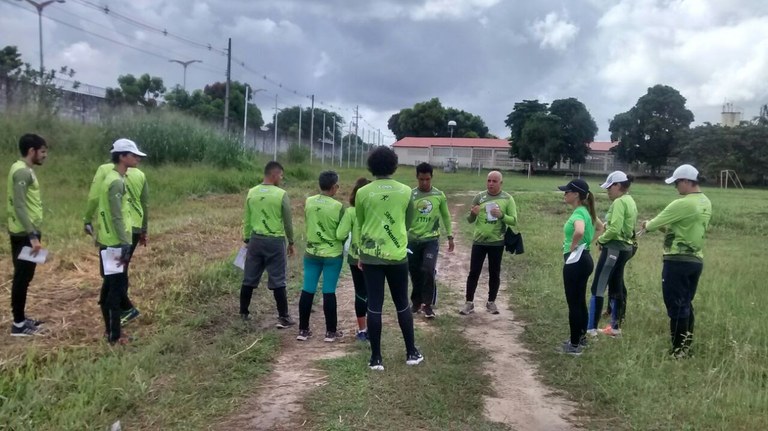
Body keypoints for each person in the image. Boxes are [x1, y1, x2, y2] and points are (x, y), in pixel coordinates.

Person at [356, 146, 423, 371]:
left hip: (371, 255)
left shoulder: (363, 192)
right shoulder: (406, 191)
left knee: (374, 305)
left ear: (371, 166)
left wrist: (361, 253)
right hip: (397, 255)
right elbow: (408, 221)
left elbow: (361, 222)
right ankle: (411, 352)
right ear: (394, 165)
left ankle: (376, 358)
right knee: (402, 303)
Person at [642, 164, 711, 358]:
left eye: (677, 183)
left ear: (687, 181)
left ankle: (678, 350)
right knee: (686, 302)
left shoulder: (682, 203)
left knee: (676, 305)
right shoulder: (705, 202)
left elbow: (653, 224)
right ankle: (687, 346)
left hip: (677, 261)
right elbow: (681, 230)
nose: (676, 187)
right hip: (696, 260)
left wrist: (646, 224)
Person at [84, 139, 149, 327]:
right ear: (122, 156)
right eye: (133, 155)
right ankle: (117, 322)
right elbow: (127, 211)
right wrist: (140, 231)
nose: (137, 158)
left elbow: (95, 198)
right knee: (116, 279)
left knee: (113, 278)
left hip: (118, 235)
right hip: (124, 235)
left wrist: (87, 219)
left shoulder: (108, 173)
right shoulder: (122, 178)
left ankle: (118, 318)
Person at [241, 161, 296, 328]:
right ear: (274, 175)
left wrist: (247, 238)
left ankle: (243, 313)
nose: (281, 178)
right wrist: (291, 241)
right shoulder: (281, 194)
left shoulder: (251, 192)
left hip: (256, 240)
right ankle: (284, 317)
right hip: (275, 241)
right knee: (278, 279)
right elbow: (287, 221)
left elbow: (248, 218)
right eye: (280, 175)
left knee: (249, 278)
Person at [587, 171, 637, 337]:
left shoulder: (618, 203)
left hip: (613, 249)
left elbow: (615, 229)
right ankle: (615, 328)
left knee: (599, 286)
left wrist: (601, 239)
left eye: (609, 187)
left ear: (618, 186)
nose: (607, 190)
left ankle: (591, 329)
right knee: (616, 286)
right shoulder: (630, 201)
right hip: (625, 249)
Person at [7, 134, 48, 336]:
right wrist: (33, 236)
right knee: (22, 278)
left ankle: (21, 319)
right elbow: (20, 205)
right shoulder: (22, 172)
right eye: (42, 151)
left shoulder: (22, 169)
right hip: (24, 233)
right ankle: (19, 324)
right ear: (31, 151)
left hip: (25, 231)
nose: (44, 155)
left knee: (25, 276)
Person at [460, 171, 517, 315]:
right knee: (474, 272)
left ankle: (491, 302)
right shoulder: (479, 197)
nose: (491, 183)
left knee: (494, 272)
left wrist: (501, 215)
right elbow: (469, 220)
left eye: (494, 181)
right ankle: (469, 303)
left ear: (501, 183)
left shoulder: (507, 199)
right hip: (479, 241)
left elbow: (514, 220)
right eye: (489, 180)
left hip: (497, 242)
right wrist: (473, 213)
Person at [297, 171, 345, 342]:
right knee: (328, 291)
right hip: (332, 255)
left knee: (307, 289)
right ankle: (331, 332)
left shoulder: (309, 201)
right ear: (334, 187)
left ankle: (303, 330)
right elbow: (342, 232)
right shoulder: (338, 207)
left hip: (311, 253)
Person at [408, 163, 454, 318]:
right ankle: (415, 302)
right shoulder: (410, 195)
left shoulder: (439, 195)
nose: (424, 183)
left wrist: (450, 235)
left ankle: (428, 305)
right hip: (412, 240)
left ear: (431, 177)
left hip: (431, 239)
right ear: (417, 178)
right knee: (414, 272)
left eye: (427, 179)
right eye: (421, 179)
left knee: (428, 269)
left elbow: (446, 216)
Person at [558, 178, 596, 355]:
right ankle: (580, 339)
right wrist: (587, 244)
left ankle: (573, 346)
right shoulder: (586, 211)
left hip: (576, 260)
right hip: (585, 258)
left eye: (567, 191)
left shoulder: (579, 214)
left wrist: (573, 247)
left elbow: (579, 231)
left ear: (576, 195)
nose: (565, 194)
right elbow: (601, 227)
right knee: (580, 301)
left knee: (573, 303)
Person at [336, 177, 371, 342]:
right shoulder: (374, 212)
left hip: (354, 256)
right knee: (374, 292)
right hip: (374, 256)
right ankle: (374, 327)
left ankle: (362, 330)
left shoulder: (350, 212)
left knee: (360, 292)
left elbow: (340, 234)